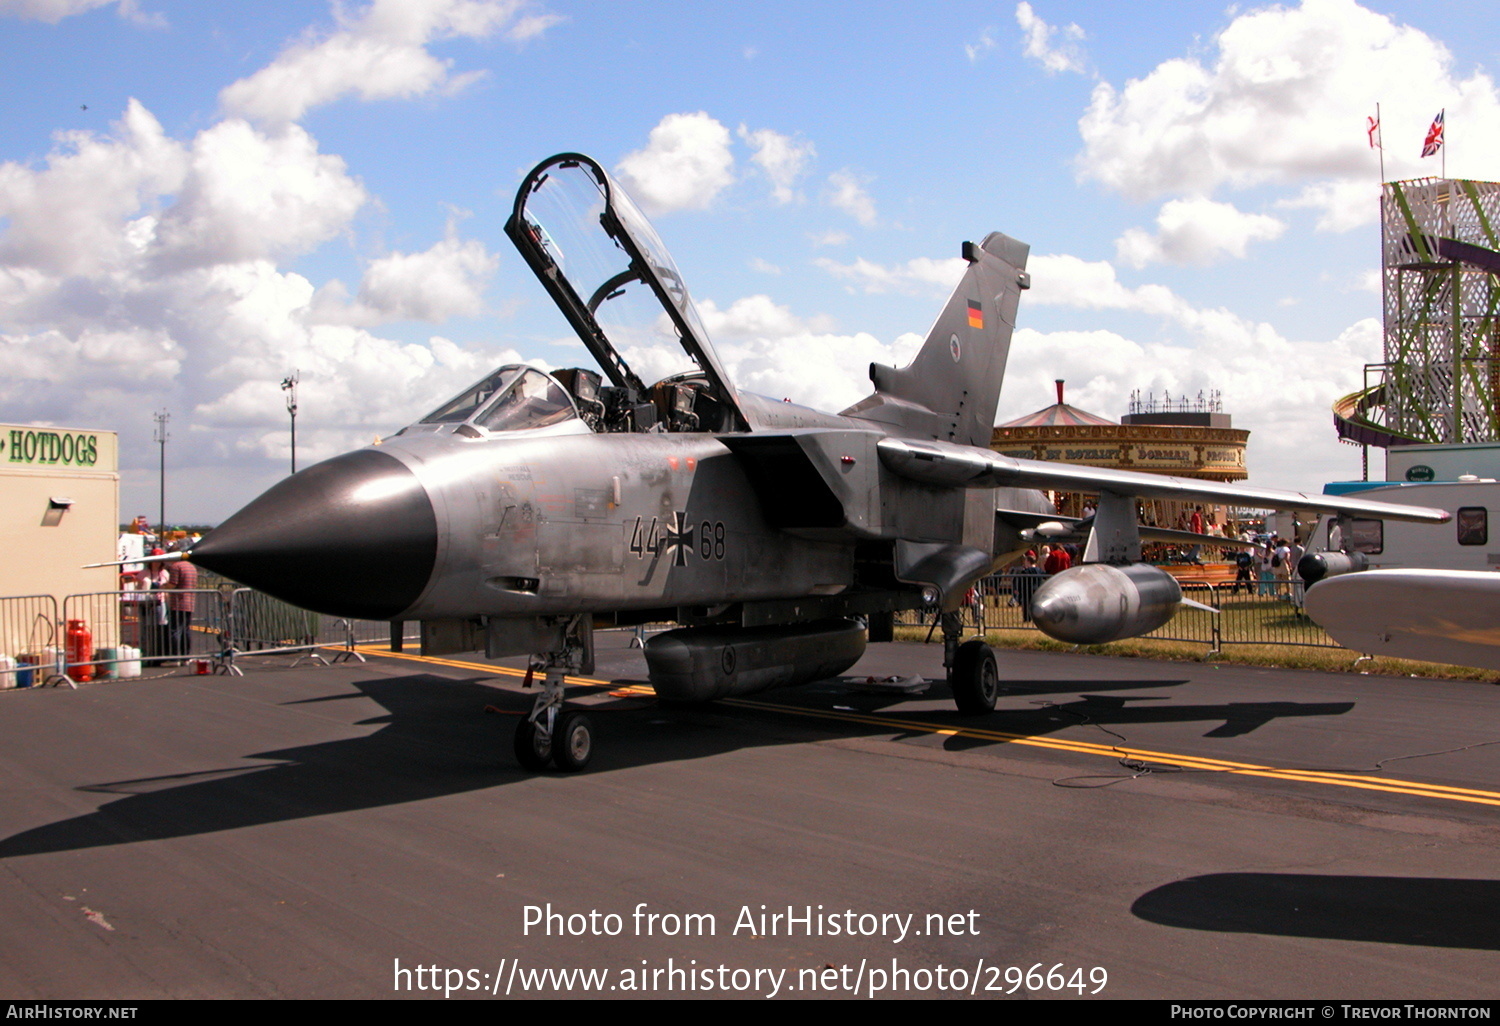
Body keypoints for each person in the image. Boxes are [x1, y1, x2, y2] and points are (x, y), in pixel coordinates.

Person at [165, 551, 199, 663]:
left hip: (178, 602)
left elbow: (172, 584)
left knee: (175, 630)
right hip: (190, 602)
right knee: (185, 630)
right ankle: (186, 656)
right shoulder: (191, 566)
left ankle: (175, 658)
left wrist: (161, 586)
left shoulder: (176, 566)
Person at [1011, 551, 1045, 622]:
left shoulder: (1026, 571)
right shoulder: (1039, 570)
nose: (1024, 563)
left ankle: (1027, 618)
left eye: (1026, 561)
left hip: (1027, 590)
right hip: (1037, 590)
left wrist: (1019, 589)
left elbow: (1021, 581)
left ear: (1028, 561)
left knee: (1026, 605)